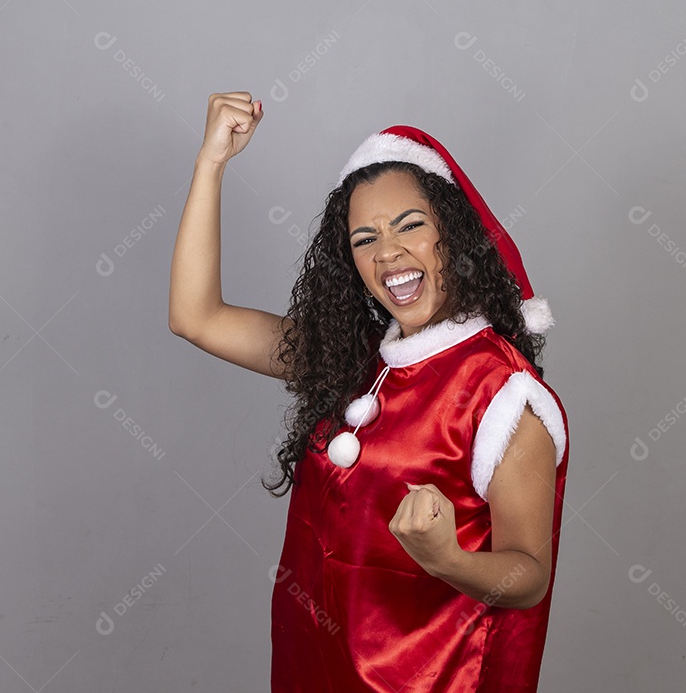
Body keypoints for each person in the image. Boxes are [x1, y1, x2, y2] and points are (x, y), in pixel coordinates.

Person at [169, 91, 570, 692]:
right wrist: (211, 163)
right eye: (364, 239)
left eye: (410, 225)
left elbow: (529, 576)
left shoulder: (504, 395)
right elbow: (196, 317)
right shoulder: (350, 360)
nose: (388, 253)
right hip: (315, 668)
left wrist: (446, 559)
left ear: (452, 234)